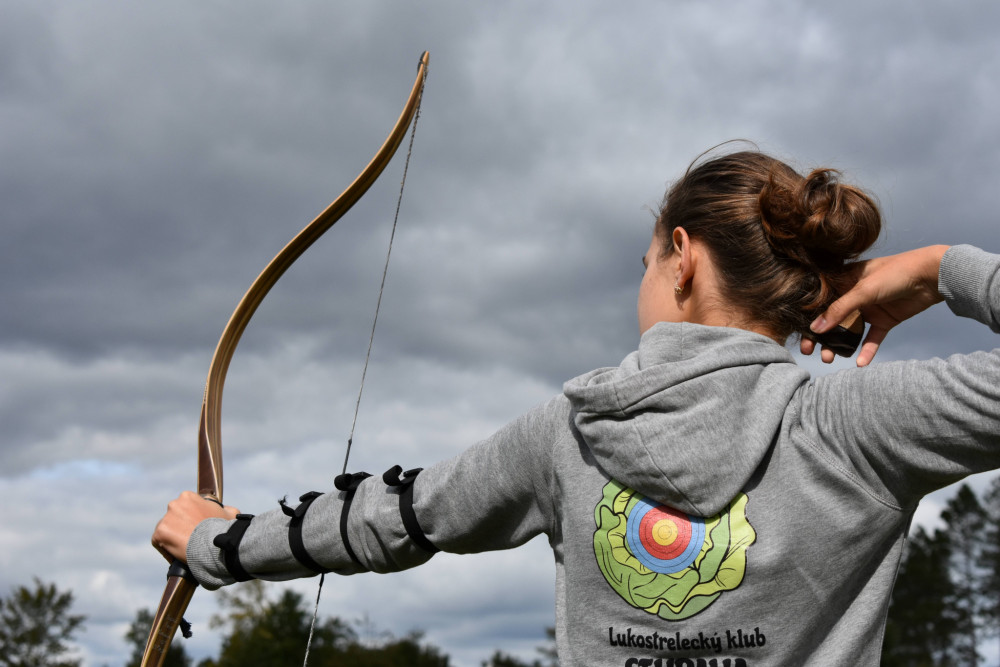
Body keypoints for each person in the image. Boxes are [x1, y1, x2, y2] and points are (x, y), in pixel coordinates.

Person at [153, 148, 1000, 665]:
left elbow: (392, 518)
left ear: (682, 257)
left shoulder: (571, 435)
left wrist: (217, 543)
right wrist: (940, 268)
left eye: (642, 260)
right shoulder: (857, 431)